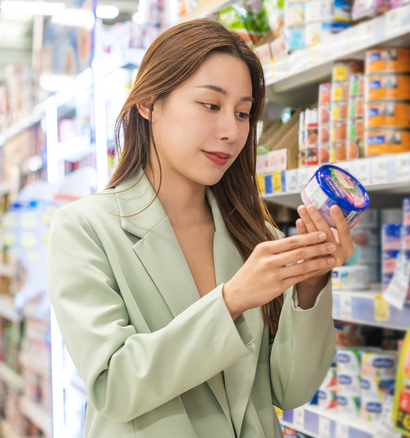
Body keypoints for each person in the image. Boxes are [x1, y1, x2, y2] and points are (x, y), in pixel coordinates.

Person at [47, 19, 354, 438]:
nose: (231, 132)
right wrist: (230, 301)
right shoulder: (85, 229)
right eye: (211, 106)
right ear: (150, 103)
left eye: (243, 113)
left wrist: (311, 282)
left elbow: (290, 389)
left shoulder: (254, 232)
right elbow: (114, 384)